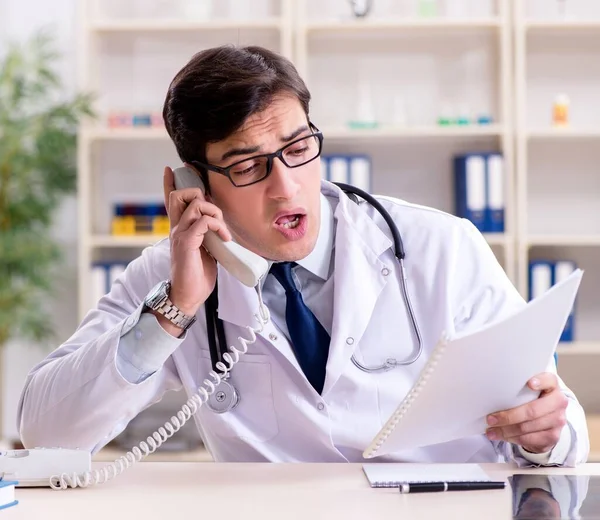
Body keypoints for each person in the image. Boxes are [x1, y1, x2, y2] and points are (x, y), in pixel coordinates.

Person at [17, 45, 588, 466]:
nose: (285, 186)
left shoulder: (441, 248)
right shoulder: (169, 279)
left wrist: (545, 433)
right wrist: (176, 307)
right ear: (193, 183)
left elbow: (560, 425)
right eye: (246, 166)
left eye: (297, 149)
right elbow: (45, 432)